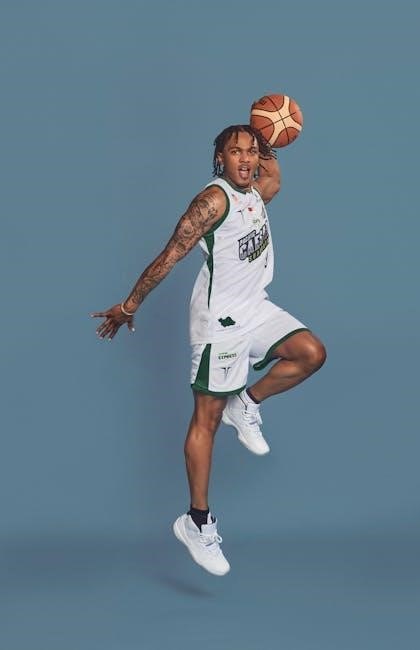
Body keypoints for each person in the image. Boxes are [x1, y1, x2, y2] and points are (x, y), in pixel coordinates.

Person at [92, 124, 326, 576]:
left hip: (255, 307)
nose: (246, 159)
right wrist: (129, 305)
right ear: (220, 158)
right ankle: (197, 522)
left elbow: (275, 178)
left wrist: (263, 129)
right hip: (219, 323)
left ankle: (247, 402)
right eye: (235, 152)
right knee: (207, 420)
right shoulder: (212, 202)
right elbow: (169, 255)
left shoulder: (257, 191)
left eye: (251, 152)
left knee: (311, 353)